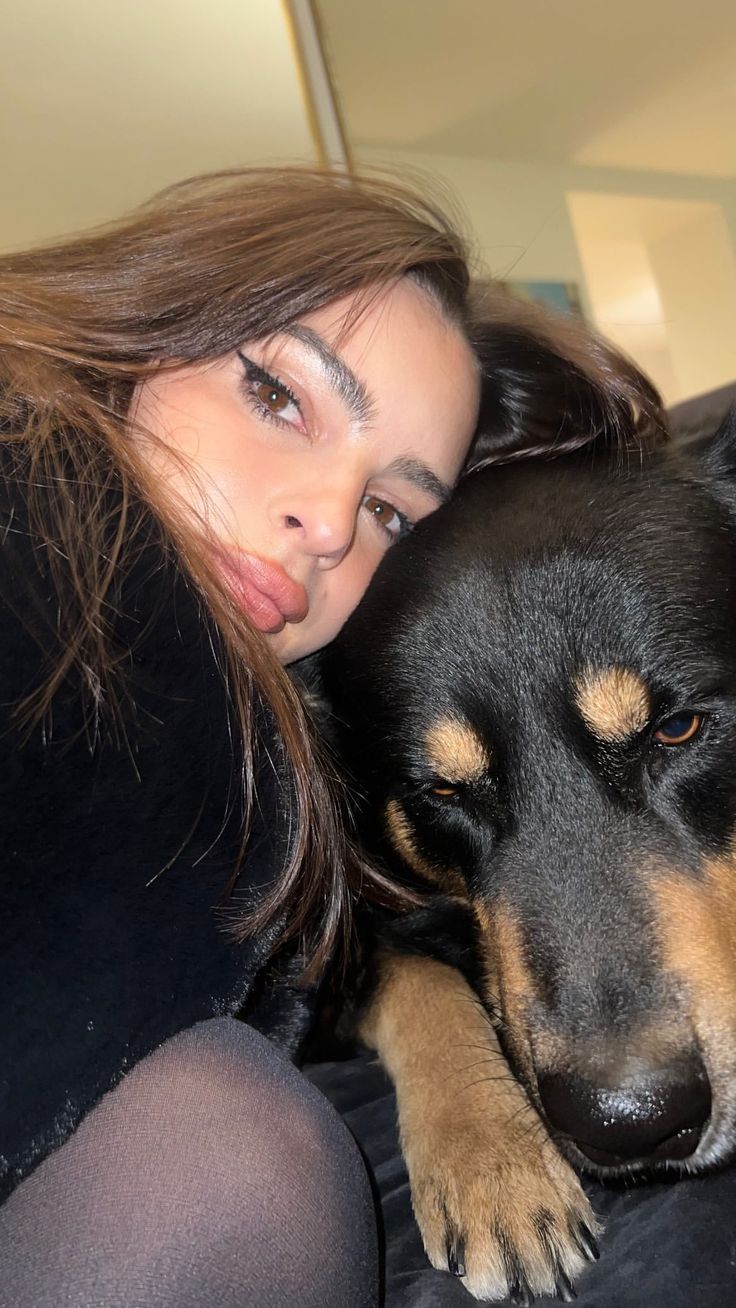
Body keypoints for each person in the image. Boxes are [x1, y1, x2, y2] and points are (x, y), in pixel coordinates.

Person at [0, 167, 665, 1308]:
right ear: (143, 319)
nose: (321, 520)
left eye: (389, 510)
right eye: (278, 395)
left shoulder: (276, 754)